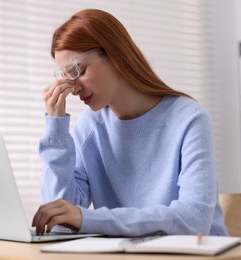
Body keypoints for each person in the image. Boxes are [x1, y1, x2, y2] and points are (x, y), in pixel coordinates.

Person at [32, 9, 228, 237]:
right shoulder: (90, 128)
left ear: (115, 54)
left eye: (79, 71)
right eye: (67, 77)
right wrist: (56, 129)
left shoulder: (188, 119)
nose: (73, 88)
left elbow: (194, 220)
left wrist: (90, 219)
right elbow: (60, 219)